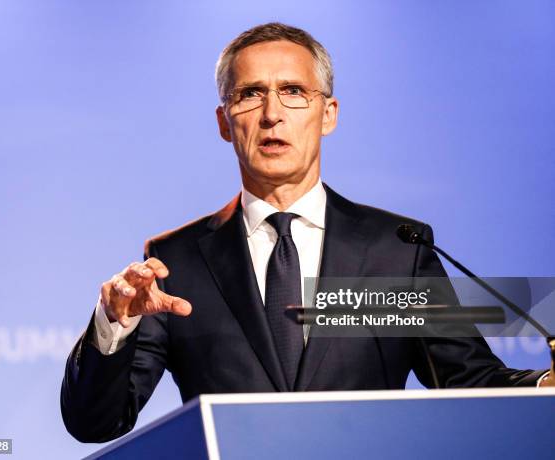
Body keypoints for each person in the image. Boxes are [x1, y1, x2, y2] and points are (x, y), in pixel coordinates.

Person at [61, 22, 553, 443]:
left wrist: (543, 384)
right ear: (224, 123)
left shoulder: (395, 250)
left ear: (329, 114)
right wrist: (112, 325)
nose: (272, 113)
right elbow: (95, 423)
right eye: (250, 94)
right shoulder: (176, 262)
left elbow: (469, 381)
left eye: (294, 91)